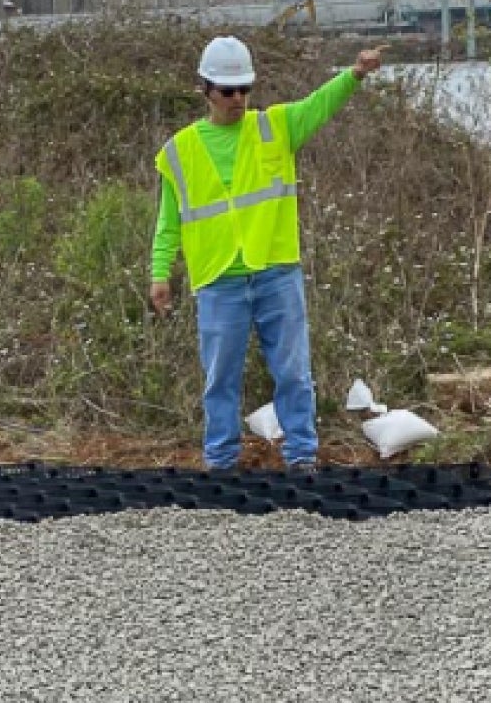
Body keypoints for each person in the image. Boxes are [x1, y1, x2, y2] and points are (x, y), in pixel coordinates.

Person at [149, 35, 384, 475]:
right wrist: (160, 273)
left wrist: (354, 74)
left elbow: (319, 105)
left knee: (293, 372)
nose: (238, 99)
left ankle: (301, 456)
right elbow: (168, 221)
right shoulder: (179, 151)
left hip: (276, 271)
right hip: (219, 279)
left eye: (244, 89)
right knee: (220, 378)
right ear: (205, 90)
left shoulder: (275, 127)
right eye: (227, 91)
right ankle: (221, 461)